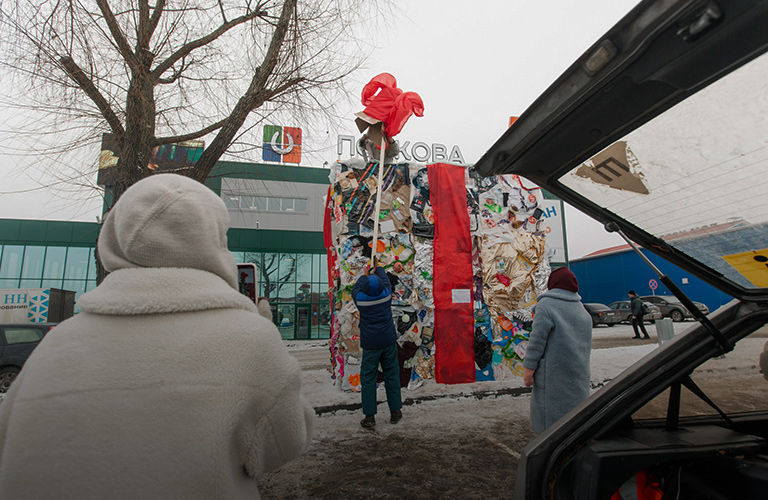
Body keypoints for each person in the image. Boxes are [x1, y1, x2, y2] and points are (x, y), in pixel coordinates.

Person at [0, 174, 315, 498]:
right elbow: (287, 442)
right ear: (214, 241)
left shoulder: (54, 344)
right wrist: (265, 336)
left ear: (114, 239)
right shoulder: (249, 339)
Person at [523, 267, 592, 434]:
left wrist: (529, 369)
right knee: (574, 419)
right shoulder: (581, 309)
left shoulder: (547, 306)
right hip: (578, 373)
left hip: (553, 377)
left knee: (550, 427)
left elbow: (537, 341)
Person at [352, 259, 403, 428]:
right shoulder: (386, 295)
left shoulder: (360, 300)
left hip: (370, 345)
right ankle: (395, 412)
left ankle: (369, 416)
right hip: (388, 341)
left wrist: (365, 274)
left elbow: (357, 287)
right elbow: (386, 281)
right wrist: (378, 267)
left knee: (368, 379)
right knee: (392, 376)